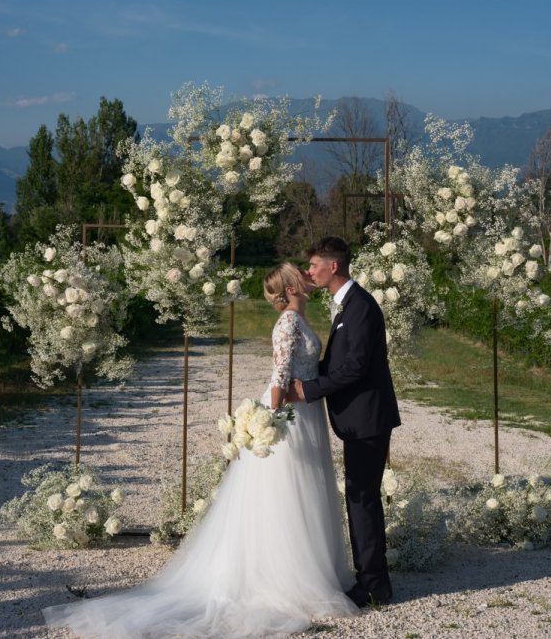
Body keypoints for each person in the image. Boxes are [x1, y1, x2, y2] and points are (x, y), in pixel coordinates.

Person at [42, 262, 357, 638]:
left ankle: (312, 570)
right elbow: (278, 376)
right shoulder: (288, 324)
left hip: (307, 412)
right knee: (288, 494)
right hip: (290, 414)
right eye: (299, 273)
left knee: (307, 489)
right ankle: (286, 579)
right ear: (290, 286)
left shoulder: (300, 319)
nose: (307, 275)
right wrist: (269, 421)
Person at [287, 237, 400, 608]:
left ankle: (374, 585)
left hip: (368, 418)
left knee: (363, 498)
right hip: (359, 419)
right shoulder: (346, 305)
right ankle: (370, 577)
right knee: (360, 497)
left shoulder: (361, 307)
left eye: (314, 264)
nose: (310, 271)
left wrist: (310, 389)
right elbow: (339, 363)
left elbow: (356, 368)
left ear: (334, 266)